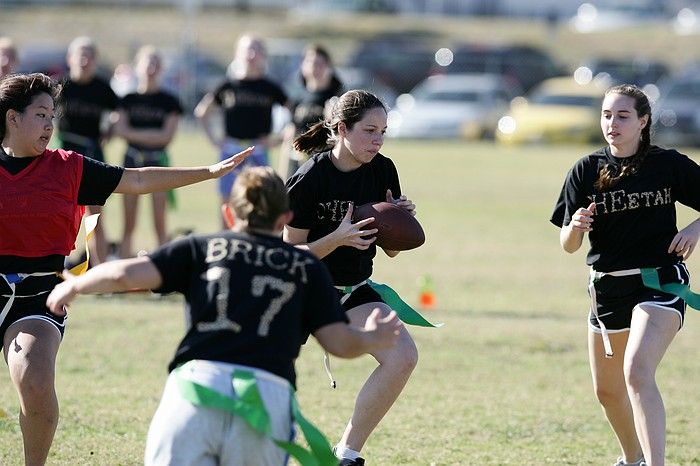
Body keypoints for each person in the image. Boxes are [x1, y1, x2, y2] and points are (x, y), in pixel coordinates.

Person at [46, 166, 403, 466]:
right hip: (265, 401)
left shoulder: (202, 247)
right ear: (285, 218)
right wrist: (374, 338)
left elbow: (125, 274)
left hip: (195, 391)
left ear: (230, 213)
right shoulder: (305, 265)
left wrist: (74, 285)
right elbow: (339, 342)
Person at [0, 72, 254, 466]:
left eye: (53, 115)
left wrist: (208, 172)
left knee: (33, 382)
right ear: (12, 118)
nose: (51, 124)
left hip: (38, 296)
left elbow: (135, 179)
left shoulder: (68, 167)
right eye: (40, 115)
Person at [551, 84, 700, 466]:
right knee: (608, 391)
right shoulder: (586, 169)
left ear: (643, 121)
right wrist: (576, 227)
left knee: (637, 370)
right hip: (607, 288)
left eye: (622, 115)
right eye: (606, 115)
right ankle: (631, 458)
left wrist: (695, 228)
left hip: (659, 280)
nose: (612, 123)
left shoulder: (666, 164)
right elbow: (567, 244)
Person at [284, 89, 419, 466]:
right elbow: (288, 255)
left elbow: (390, 249)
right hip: (303, 290)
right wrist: (336, 239)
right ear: (342, 129)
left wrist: (397, 221)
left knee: (403, 356)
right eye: (369, 131)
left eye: (383, 132)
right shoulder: (309, 178)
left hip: (352, 289)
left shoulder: (383, 169)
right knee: (273, 372)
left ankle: (347, 453)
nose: (377, 140)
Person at [195, 34, 288, 227]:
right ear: (238, 54)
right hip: (231, 150)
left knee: (260, 204)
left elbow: (295, 115)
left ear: (264, 55)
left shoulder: (270, 87)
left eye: (257, 50)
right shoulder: (228, 85)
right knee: (227, 204)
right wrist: (214, 140)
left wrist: (278, 140)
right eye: (247, 49)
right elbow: (202, 112)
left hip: (258, 153)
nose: (252, 54)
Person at [112, 45, 183, 258]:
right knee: (129, 223)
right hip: (131, 161)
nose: (151, 68)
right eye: (147, 62)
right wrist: (152, 135)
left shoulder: (170, 102)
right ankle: (123, 270)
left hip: (158, 161)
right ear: (138, 67)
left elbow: (166, 137)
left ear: (161, 68)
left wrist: (135, 134)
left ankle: (163, 272)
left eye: (156, 63)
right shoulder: (127, 100)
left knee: (160, 222)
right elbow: (119, 130)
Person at [56, 36, 119, 265]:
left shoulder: (103, 89)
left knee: (95, 217)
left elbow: (119, 113)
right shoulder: (60, 86)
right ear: (70, 58)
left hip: (93, 155)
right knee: (62, 215)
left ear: (95, 60)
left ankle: (101, 273)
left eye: (89, 55)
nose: (84, 60)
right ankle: (56, 269)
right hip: (65, 156)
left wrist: (110, 130)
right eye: (80, 54)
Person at [278, 44, 343, 180]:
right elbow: (290, 137)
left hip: (326, 162)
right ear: (302, 66)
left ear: (329, 67)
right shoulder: (298, 97)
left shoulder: (338, 97)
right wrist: (283, 176)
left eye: (320, 63)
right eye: (310, 62)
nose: (315, 67)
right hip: (300, 162)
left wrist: (332, 120)